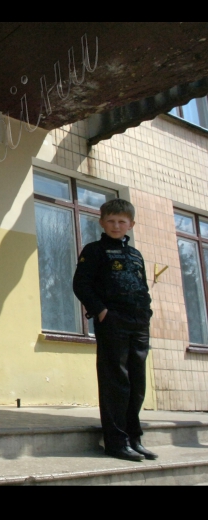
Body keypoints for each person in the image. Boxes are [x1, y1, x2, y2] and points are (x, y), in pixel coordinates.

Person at [73, 198, 156, 462]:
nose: (116, 226)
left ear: (131, 224)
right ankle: (116, 442)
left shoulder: (135, 255)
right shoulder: (94, 250)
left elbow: (142, 288)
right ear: (101, 223)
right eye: (111, 221)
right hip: (113, 323)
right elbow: (81, 285)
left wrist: (147, 313)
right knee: (116, 383)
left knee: (137, 383)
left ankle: (134, 438)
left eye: (122, 221)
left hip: (138, 324)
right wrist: (101, 311)